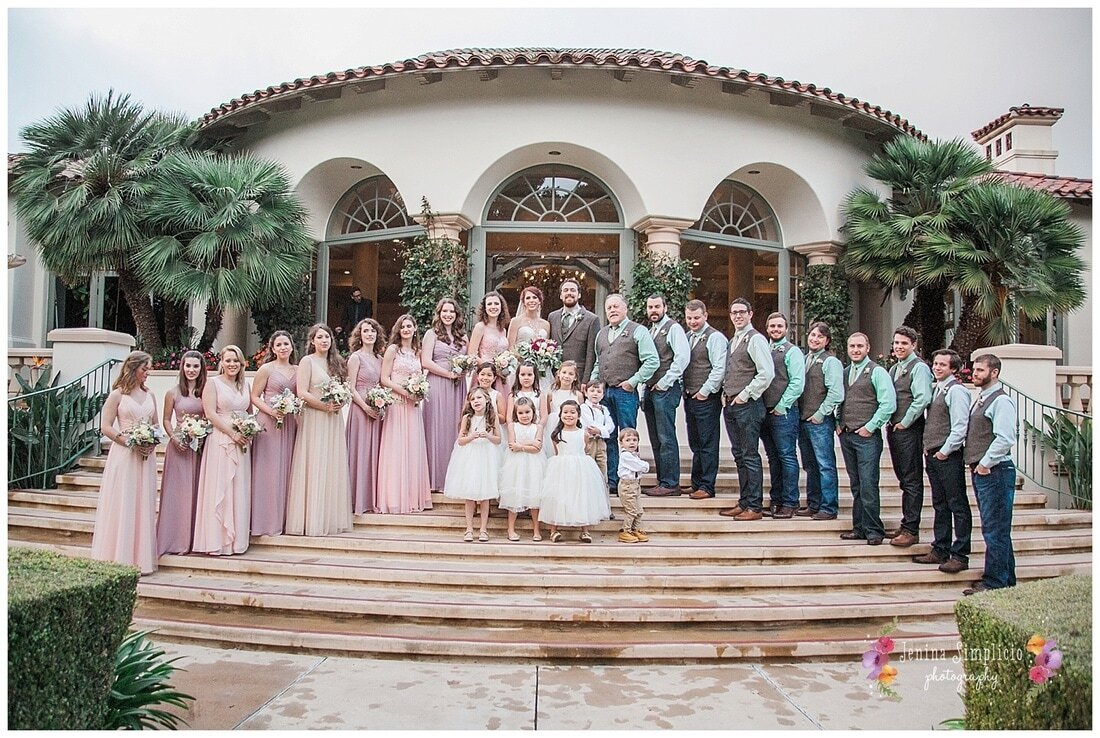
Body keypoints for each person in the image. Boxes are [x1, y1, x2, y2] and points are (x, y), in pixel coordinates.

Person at [90, 351, 159, 574]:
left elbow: (156, 425)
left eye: (149, 369)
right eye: (144, 369)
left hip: (145, 457)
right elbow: (106, 426)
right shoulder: (118, 395)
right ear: (133, 368)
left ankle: (141, 558)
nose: (148, 373)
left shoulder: (151, 395)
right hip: (125, 455)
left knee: (143, 501)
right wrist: (129, 441)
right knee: (124, 501)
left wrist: (151, 442)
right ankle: (118, 556)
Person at [286, 325, 353, 536]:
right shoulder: (307, 362)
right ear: (312, 341)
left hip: (333, 420)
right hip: (315, 418)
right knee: (314, 463)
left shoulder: (337, 363)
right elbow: (302, 392)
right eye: (320, 337)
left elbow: (345, 388)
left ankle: (329, 517)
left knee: (331, 464)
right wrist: (323, 406)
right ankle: (311, 519)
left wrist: (340, 402)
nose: (324, 340)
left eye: (327, 336)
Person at [590, 293, 659, 494]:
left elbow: (652, 361)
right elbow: (598, 362)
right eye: (609, 307)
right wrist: (594, 385)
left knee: (628, 437)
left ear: (625, 309)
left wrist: (633, 382)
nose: (612, 310)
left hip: (625, 393)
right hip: (606, 393)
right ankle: (613, 481)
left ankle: (630, 480)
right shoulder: (602, 334)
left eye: (616, 307)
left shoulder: (638, 331)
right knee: (609, 437)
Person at [913, 349, 972, 574]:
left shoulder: (956, 391)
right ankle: (940, 548)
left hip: (947, 456)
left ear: (954, 369)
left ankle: (960, 554)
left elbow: (959, 426)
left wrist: (944, 451)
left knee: (957, 504)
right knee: (940, 504)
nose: (937, 368)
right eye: (935, 364)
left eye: (942, 365)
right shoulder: (939, 389)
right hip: (934, 454)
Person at [963, 354, 1018, 595]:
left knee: (994, 528)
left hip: (995, 471)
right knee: (995, 527)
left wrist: (985, 463)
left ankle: (995, 582)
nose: (974, 373)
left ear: (994, 372)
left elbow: (1005, 438)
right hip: (984, 471)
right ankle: (1007, 580)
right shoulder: (981, 398)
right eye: (974, 369)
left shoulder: (1001, 401)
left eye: (980, 370)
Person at [193, 345, 255, 555]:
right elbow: (210, 414)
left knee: (239, 487)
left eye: (236, 361)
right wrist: (232, 433)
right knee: (222, 487)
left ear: (242, 363)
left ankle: (237, 540)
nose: (232, 364)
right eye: (228, 360)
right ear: (221, 362)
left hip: (242, 440)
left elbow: (249, 411)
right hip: (221, 439)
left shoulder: (245, 384)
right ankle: (217, 540)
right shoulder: (213, 383)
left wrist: (248, 430)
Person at [836, 332, 896, 546]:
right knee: (856, 484)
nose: (855, 350)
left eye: (860, 346)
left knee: (869, 484)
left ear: (868, 348)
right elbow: (839, 399)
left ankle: (874, 530)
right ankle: (858, 528)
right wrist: (838, 423)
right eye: (852, 346)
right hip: (847, 434)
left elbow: (888, 404)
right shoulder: (844, 372)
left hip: (867, 437)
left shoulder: (877, 372)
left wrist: (870, 427)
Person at [717, 298, 775, 521]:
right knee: (739, 455)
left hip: (748, 406)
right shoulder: (733, 341)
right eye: (734, 312)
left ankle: (755, 506)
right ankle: (744, 501)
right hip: (731, 405)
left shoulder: (756, 339)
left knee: (750, 455)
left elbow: (766, 373)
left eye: (742, 312)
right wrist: (725, 394)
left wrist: (745, 394)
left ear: (750, 314)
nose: (738, 316)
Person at [376, 314, 433, 513]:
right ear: (398, 330)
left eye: (409, 326)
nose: (406, 329)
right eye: (403, 326)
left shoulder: (417, 352)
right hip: (397, 403)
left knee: (413, 449)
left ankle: (412, 497)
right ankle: (394, 499)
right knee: (396, 449)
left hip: (413, 407)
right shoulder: (393, 350)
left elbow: (420, 377)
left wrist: (419, 392)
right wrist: (406, 392)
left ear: (415, 329)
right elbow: (384, 378)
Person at [884, 326, 934, 547]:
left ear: (913, 345)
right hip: (895, 428)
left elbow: (922, 398)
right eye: (896, 343)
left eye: (904, 343)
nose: (899, 347)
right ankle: (906, 524)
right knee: (903, 478)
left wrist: (905, 422)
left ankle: (912, 529)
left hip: (910, 429)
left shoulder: (919, 368)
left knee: (912, 479)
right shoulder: (895, 368)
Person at [157, 350, 207, 556]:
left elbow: (210, 414)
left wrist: (202, 431)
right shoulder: (173, 392)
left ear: (201, 369)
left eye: (196, 366)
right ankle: (174, 539)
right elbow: (166, 419)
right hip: (179, 447)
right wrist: (175, 437)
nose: (191, 370)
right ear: (182, 367)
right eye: (188, 366)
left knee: (197, 491)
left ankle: (193, 539)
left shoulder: (206, 391)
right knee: (177, 493)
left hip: (199, 446)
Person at [249, 331, 298, 537]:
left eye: (286, 343)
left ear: (292, 346)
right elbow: (254, 396)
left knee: (287, 469)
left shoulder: (298, 369)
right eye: (279, 344)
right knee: (267, 471)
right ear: (273, 348)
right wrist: (271, 411)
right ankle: (264, 521)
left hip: (289, 424)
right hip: (269, 422)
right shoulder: (266, 369)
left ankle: (285, 519)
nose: (283, 347)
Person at [541, 400, 611, 543]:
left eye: (572, 412)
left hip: (580, 467)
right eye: (565, 412)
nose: (569, 415)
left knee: (581, 496)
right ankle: (554, 530)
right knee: (558, 495)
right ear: (560, 415)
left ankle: (584, 531)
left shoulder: (583, 433)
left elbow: (584, 449)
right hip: (561, 467)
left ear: (579, 415)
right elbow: (557, 451)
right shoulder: (556, 434)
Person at [641, 294, 689, 497]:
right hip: (651, 389)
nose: (653, 310)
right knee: (656, 437)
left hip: (666, 389)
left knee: (666, 436)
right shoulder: (651, 331)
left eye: (657, 306)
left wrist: (665, 381)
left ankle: (670, 483)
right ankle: (663, 480)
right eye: (650, 306)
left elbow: (682, 358)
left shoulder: (673, 328)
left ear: (665, 307)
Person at [796, 322, 844, 521]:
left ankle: (828, 507)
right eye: (813, 335)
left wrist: (820, 413)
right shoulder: (805, 359)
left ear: (827, 341)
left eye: (820, 337)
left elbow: (836, 393)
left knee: (825, 464)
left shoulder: (830, 362)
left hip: (819, 421)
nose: (815, 339)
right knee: (810, 465)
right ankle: (813, 503)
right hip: (803, 420)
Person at [759, 312, 805, 518]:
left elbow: (797, 383)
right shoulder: (764, 349)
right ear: (767, 329)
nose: (776, 329)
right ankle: (776, 499)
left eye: (779, 326)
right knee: (773, 458)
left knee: (787, 457)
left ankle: (790, 501)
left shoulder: (792, 351)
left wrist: (782, 405)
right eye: (772, 326)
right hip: (764, 412)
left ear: (786, 329)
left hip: (784, 413)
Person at [421, 298, 469, 491]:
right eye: (444, 311)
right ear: (439, 314)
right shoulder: (431, 334)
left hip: (458, 387)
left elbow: (468, 359)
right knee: (436, 428)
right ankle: (436, 479)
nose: (448, 315)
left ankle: (455, 478)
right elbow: (425, 361)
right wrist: (449, 374)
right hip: (438, 384)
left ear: (457, 315)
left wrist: (464, 370)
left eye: (452, 311)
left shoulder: (463, 337)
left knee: (456, 427)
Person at [682, 300, 727, 500]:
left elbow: (719, 368)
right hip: (690, 396)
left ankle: (707, 486)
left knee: (708, 442)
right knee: (695, 441)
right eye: (689, 318)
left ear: (706, 316)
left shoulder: (715, 338)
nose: (693, 321)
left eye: (697, 318)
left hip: (706, 398)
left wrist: (705, 391)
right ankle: (696, 482)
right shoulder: (687, 337)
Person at [443, 387, 501, 542]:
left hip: (487, 457)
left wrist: (488, 435)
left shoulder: (492, 417)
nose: (476, 401)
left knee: (485, 495)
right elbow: (460, 441)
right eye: (473, 399)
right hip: (470, 456)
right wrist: (471, 437)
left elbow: (498, 440)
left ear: (487, 399)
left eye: (479, 398)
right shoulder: (467, 418)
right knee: (469, 495)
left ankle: (483, 529)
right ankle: (469, 529)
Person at [346, 318, 387, 514]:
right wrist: (364, 407)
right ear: (359, 335)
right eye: (365, 331)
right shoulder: (356, 358)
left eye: (373, 331)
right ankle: (356, 500)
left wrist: (380, 403)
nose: (370, 334)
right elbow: (350, 388)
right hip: (360, 409)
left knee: (375, 453)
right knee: (360, 452)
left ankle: (371, 499)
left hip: (376, 409)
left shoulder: (380, 359)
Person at [498, 397, 546, 542]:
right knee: (514, 494)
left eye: (527, 412)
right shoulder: (512, 426)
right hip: (516, 464)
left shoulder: (538, 427)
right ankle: (511, 529)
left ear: (533, 412)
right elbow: (512, 445)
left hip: (534, 464)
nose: (524, 416)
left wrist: (522, 446)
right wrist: (530, 444)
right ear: (516, 414)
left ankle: (536, 530)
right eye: (521, 413)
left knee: (535, 495)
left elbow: (538, 448)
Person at [548, 278, 599, 388]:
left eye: (573, 290)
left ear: (579, 294)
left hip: (578, 378)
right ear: (561, 295)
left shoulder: (592, 319)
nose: (569, 293)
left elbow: (591, 354)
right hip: (556, 377)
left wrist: (586, 381)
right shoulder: (552, 317)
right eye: (565, 290)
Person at [508, 285, 553, 393]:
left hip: (541, 369)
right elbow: (510, 347)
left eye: (534, 297)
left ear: (539, 301)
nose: (531, 300)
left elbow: (547, 346)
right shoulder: (516, 321)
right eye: (528, 298)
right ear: (523, 302)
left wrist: (543, 356)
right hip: (521, 367)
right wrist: (524, 356)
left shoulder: (546, 324)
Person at [468, 290, 511, 394]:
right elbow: (471, 354)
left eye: (496, 304)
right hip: (485, 375)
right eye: (489, 304)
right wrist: (489, 369)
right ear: (485, 308)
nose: (493, 307)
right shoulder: (480, 327)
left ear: (501, 307)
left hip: (500, 376)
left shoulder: (503, 330)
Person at [542, 360, 584, 458]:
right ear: (559, 374)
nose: (567, 376)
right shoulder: (551, 394)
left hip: (572, 426)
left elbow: (580, 414)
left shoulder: (578, 395)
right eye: (564, 372)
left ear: (575, 377)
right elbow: (548, 411)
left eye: (571, 374)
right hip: (553, 425)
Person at [616, 428, 650, 543]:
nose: (632, 443)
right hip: (627, 486)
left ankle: (635, 529)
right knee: (631, 510)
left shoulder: (634, 455)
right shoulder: (626, 456)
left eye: (634, 440)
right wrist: (645, 465)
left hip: (636, 485)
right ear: (621, 443)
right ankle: (625, 531)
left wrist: (642, 465)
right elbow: (640, 467)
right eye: (628, 440)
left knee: (639, 510)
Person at [580, 381, 615, 482]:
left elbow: (610, 425)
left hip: (601, 441)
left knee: (602, 463)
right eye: (592, 391)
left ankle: (603, 487)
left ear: (603, 395)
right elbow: (590, 424)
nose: (595, 393)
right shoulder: (584, 408)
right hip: (589, 441)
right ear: (586, 393)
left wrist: (600, 431)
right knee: (589, 463)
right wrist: (602, 429)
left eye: (599, 391)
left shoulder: (604, 409)